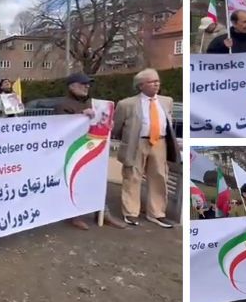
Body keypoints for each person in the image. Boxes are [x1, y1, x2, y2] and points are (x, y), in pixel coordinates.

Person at [53, 72, 126, 230]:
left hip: (94, 150)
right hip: (74, 152)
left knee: (97, 181)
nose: (87, 86)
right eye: (82, 84)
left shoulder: (94, 104)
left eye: (88, 84)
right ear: (72, 86)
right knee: (76, 183)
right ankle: (74, 215)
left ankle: (102, 213)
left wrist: (108, 125)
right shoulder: (63, 105)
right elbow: (61, 129)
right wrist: (79, 117)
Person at [112, 68, 177, 228]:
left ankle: (157, 213)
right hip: (136, 143)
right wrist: (128, 140)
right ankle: (131, 213)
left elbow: (168, 123)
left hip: (159, 143)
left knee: (159, 177)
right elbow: (117, 128)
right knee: (132, 177)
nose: (156, 84)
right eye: (151, 81)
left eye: (157, 81)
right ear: (141, 85)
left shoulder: (166, 101)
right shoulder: (126, 104)